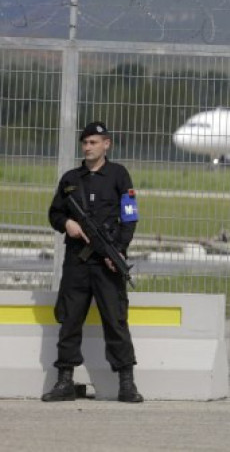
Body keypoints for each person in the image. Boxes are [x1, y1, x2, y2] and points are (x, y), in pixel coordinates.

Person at [42, 121, 143, 403]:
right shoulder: (71, 178)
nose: (88, 147)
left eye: (94, 142)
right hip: (77, 261)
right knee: (70, 320)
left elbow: (130, 216)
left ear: (106, 144)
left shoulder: (119, 175)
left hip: (108, 262)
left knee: (116, 320)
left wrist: (119, 251)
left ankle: (126, 383)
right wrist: (68, 224)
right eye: (85, 143)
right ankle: (64, 381)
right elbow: (54, 214)